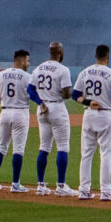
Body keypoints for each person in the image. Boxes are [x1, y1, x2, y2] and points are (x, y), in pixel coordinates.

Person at [73, 45, 111, 201]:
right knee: (106, 154)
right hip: (105, 114)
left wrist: (88, 101)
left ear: (96, 56)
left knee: (87, 154)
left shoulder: (85, 72)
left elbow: (75, 95)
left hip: (88, 114)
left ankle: (83, 190)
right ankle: (106, 191)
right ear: (107, 56)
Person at [28, 42, 76, 196]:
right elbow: (67, 94)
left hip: (42, 108)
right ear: (60, 52)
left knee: (44, 147)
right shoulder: (63, 69)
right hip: (56, 107)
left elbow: (30, 90)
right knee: (63, 147)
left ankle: (41, 185)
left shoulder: (38, 68)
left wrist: (40, 102)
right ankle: (61, 186)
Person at [0, 51, 32, 192]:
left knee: (1, 146)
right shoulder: (27, 77)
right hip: (20, 112)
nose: (28, 63)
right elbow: (32, 94)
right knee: (18, 149)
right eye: (27, 61)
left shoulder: (1, 74)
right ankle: (15, 184)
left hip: (5, 112)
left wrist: (7, 101)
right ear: (20, 61)